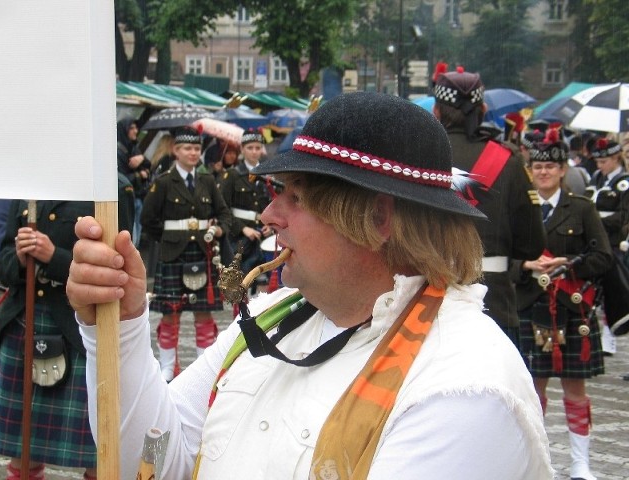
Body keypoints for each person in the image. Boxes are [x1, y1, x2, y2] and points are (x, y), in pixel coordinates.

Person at [67, 92, 553, 479]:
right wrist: (122, 326)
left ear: (377, 218)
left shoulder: (461, 385)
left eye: (295, 198)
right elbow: (152, 456)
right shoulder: (273, 316)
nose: (267, 215)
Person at [0, 196, 133, 480]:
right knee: (21, 450)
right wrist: (19, 257)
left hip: (81, 328)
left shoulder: (107, 189)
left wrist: (53, 256)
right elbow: (3, 266)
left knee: (97, 451)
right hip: (24, 322)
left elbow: (118, 269)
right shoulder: (28, 191)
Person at [510, 129, 612, 480]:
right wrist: (526, 266)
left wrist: (567, 262)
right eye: (537, 166)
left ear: (563, 170)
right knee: (532, 390)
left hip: (570, 308)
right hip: (529, 305)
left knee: (575, 388)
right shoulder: (520, 207)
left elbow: (603, 257)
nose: (543, 172)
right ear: (530, 169)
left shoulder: (581, 208)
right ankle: (539, 461)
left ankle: (581, 462)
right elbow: (503, 258)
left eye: (550, 167)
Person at [432, 66, 546, 348]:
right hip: (492, 301)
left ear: (436, 111)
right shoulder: (508, 159)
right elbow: (532, 244)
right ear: (483, 108)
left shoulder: (416, 156)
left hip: (423, 301)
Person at [140, 125, 232, 382]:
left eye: (196, 149)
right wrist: (169, 240)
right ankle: (167, 367)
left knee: (203, 313)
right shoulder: (164, 182)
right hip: (173, 256)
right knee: (170, 313)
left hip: (201, 254)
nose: (193, 153)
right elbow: (147, 219)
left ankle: (202, 368)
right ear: (175, 150)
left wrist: (220, 230)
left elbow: (225, 214)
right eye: (187, 148)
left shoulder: (207, 181)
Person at [584, 137, 629, 351]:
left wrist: (596, 221)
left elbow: (623, 216)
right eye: (598, 162)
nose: (600, 166)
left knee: (615, 290)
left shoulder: (624, 182)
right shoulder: (596, 178)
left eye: (604, 162)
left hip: (613, 243)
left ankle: (611, 332)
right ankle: (601, 333)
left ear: (615, 158)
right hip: (592, 242)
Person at [219, 128, 276, 281]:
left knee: (265, 281)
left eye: (258, 147)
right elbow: (222, 208)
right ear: (242, 149)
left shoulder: (268, 174)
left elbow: (275, 204)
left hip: (264, 235)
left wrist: (270, 225)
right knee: (241, 282)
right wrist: (243, 228)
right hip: (239, 237)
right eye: (250, 148)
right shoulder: (233, 175)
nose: (254, 152)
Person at [117, 118, 151, 246]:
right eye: (131, 128)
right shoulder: (117, 151)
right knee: (129, 240)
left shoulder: (133, 148)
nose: (135, 131)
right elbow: (120, 178)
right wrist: (139, 174)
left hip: (138, 198)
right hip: (126, 199)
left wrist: (142, 158)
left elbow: (148, 166)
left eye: (136, 127)